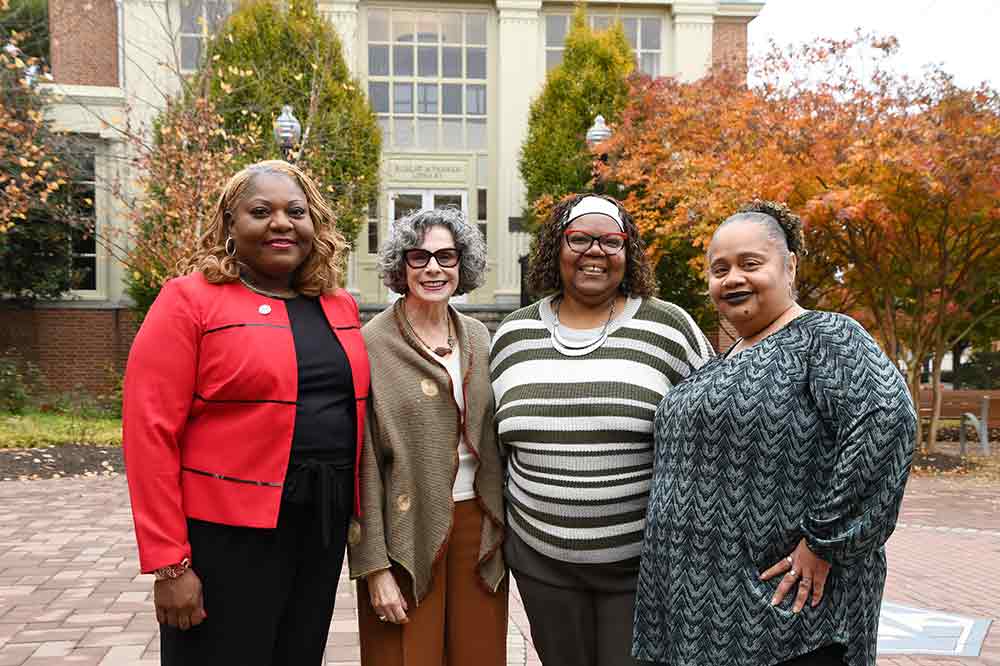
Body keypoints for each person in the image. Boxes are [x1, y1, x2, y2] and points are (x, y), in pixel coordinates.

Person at [633, 200, 916, 666]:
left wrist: (825, 541)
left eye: (750, 264)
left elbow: (885, 424)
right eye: (718, 269)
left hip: (783, 619)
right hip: (691, 617)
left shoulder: (825, 337)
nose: (732, 279)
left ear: (789, 267)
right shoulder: (721, 360)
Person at [122, 160, 369, 666]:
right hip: (225, 537)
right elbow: (149, 433)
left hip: (318, 528)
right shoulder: (188, 301)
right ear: (230, 225)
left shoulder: (337, 305)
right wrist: (170, 566)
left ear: (314, 225)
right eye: (261, 211)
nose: (281, 223)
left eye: (295, 211)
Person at [490, 193, 714, 666]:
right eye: (580, 238)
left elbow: (712, 433)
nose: (596, 251)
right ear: (557, 247)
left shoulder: (670, 328)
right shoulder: (512, 335)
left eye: (612, 241)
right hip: (539, 560)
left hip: (641, 567)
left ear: (628, 252)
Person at [348, 207, 507, 666]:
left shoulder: (478, 335)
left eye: (446, 257)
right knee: (403, 655)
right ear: (401, 266)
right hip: (404, 532)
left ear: (463, 264)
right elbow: (363, 463)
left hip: (478, 527)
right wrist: (374, 568)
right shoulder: (371, 343)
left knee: (478, 654)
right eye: (419, 257)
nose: (434, 268)